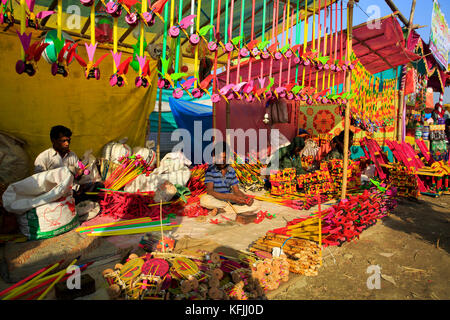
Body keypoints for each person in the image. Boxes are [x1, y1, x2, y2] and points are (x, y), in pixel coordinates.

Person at [34, 125, 103, 203]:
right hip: (54, 194)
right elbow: (39, 183)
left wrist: (80, 173)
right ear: (53, 140)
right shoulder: (43, 158)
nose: (67, 144)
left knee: (98, 186)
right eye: (63, 141)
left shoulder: (72, 155)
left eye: (68, 140)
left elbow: (78, 177)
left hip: (72, 191)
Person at [200, 142, 260, 220]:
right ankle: (226, 207)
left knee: (255, 203)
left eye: (224, 158)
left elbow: (236, 190)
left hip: (229, 199)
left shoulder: (231, 170)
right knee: (204, 200)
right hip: (216, 198)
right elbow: (210, 191)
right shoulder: (210, 170)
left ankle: (222, 209)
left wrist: (246, 198)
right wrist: (231, 197)